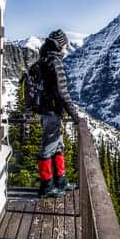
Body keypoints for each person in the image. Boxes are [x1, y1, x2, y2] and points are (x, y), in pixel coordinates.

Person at [37, 29, 81, 198]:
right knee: (48, 147)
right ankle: (47, 186)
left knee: (58, 145)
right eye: (65, 45)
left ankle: (60, 181)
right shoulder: (55, 62)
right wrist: (75, 116)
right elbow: (63, 93)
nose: (66, 48)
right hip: (51, 111)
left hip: (47, 110)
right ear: (60, 45)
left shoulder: (45, 58)